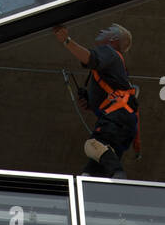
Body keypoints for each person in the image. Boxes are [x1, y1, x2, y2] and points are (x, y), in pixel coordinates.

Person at [54, 23, 138, 178]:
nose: (101, 30)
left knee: (93, 146)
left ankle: (119, 178)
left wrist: (66, 40)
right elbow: (109, 97)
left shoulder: (109, 52)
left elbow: (89, 58)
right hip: (124, 122)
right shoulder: (112, 64)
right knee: (92, 170)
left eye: (106, 30)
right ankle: (104, 183)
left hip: (116, 118)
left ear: (113, 38)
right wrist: (89, 102)